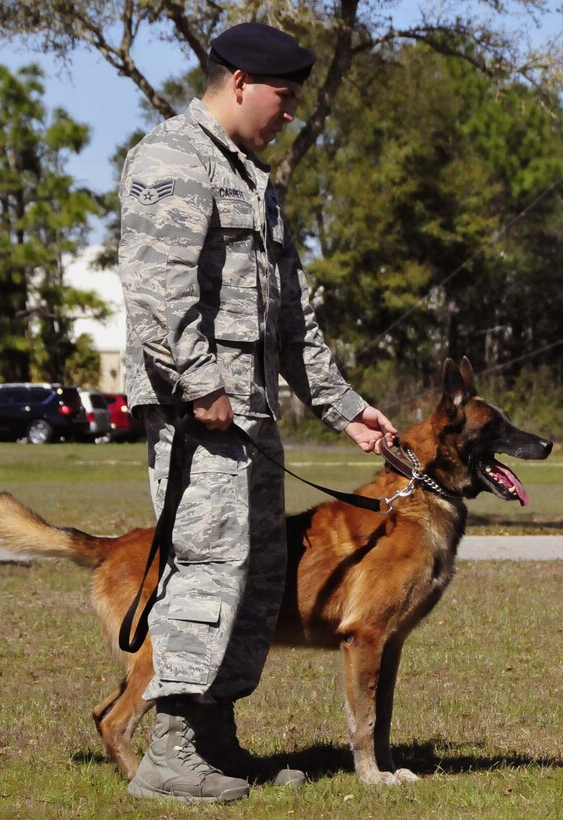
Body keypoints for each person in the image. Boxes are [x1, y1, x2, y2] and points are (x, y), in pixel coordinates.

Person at [118, 21, 397, 803]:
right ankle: (171, 753)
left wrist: (346, 410)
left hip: (249, 417)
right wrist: (199, 382)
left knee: (257, 574)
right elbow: (156, 288)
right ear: (238, 81)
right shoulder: (171, 157)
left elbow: (290, 321)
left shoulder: (252, 178)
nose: (289, 114)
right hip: (199, 414)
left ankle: (214, 741)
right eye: (283, 97)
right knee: (206, 569)